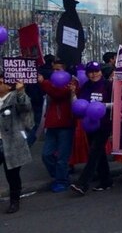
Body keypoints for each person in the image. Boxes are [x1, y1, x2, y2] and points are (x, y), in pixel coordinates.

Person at [70, 61, 113, 195]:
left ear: (101, 71)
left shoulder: (108, 85)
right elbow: (79, 105)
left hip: (104, 124)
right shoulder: (86, 86)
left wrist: (102, 106)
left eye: (96, 71)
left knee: (94, 152)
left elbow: (118, 102)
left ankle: (82, 184)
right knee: (98, 153)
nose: (94, 74)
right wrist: (72, 94)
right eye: (90, 72)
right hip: (89, 124)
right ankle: (106, 181)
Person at [38, 60, 75, 192]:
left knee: (62, 157)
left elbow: (58, 94)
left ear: (65, 71)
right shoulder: (52, 83)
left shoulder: (70, 84)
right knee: (46, 155)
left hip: (66, 125)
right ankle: (60, 175)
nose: (55, 72)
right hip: (52, 125)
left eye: (58, 70)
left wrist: (43, 82)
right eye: (53, 69)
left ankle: (62, 181)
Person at [0, 71, 34, 214]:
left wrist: (21, 91)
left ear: (8, 86)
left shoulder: (16, 97)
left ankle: (15, 200)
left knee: (12, 174)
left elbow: (25, 107)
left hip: (12, 142)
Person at [56, 0, 85, 70]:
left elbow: (59, 34)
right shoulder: (74, 17)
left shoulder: (66, 16)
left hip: (66, 52)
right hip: (74, 53)